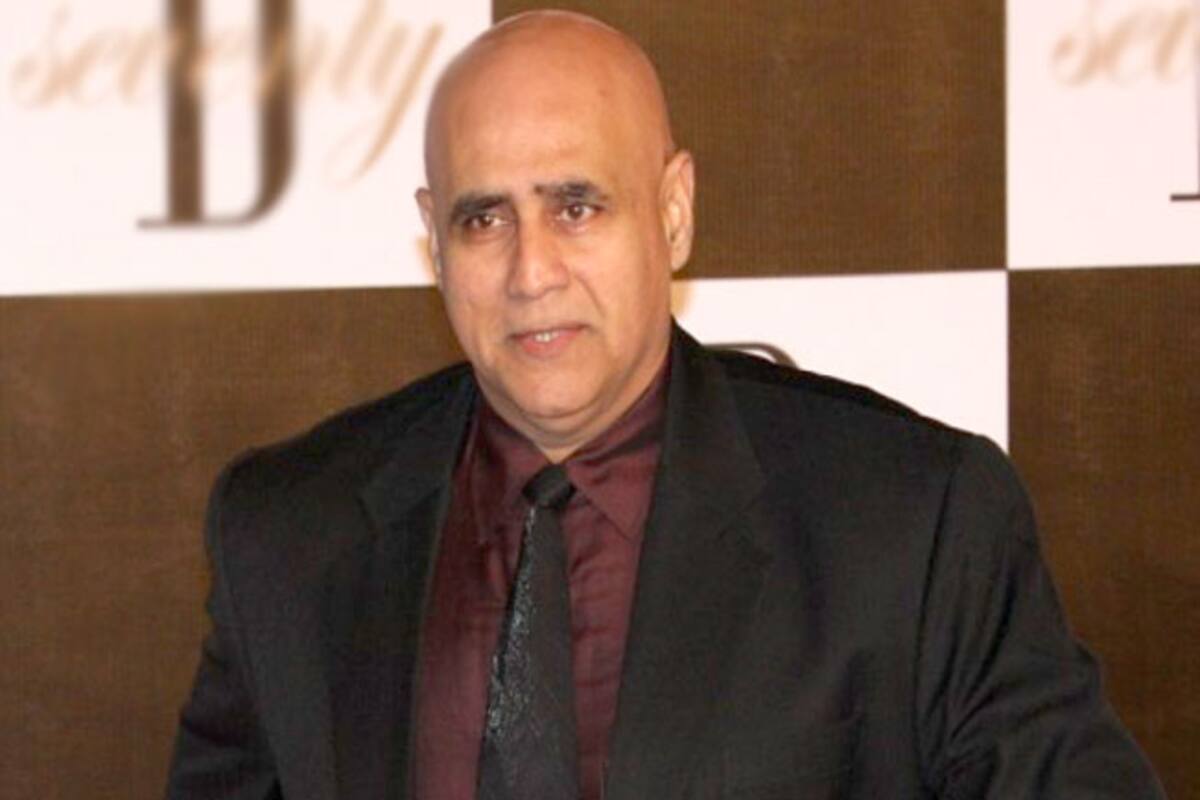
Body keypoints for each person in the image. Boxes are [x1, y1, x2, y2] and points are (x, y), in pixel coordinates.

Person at [165, 10, 1165, 800]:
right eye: (484, 219)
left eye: (577, 206)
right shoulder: (285, 533)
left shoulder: (915, 522)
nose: (532, 272)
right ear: (434, 238)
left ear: (674, 212)